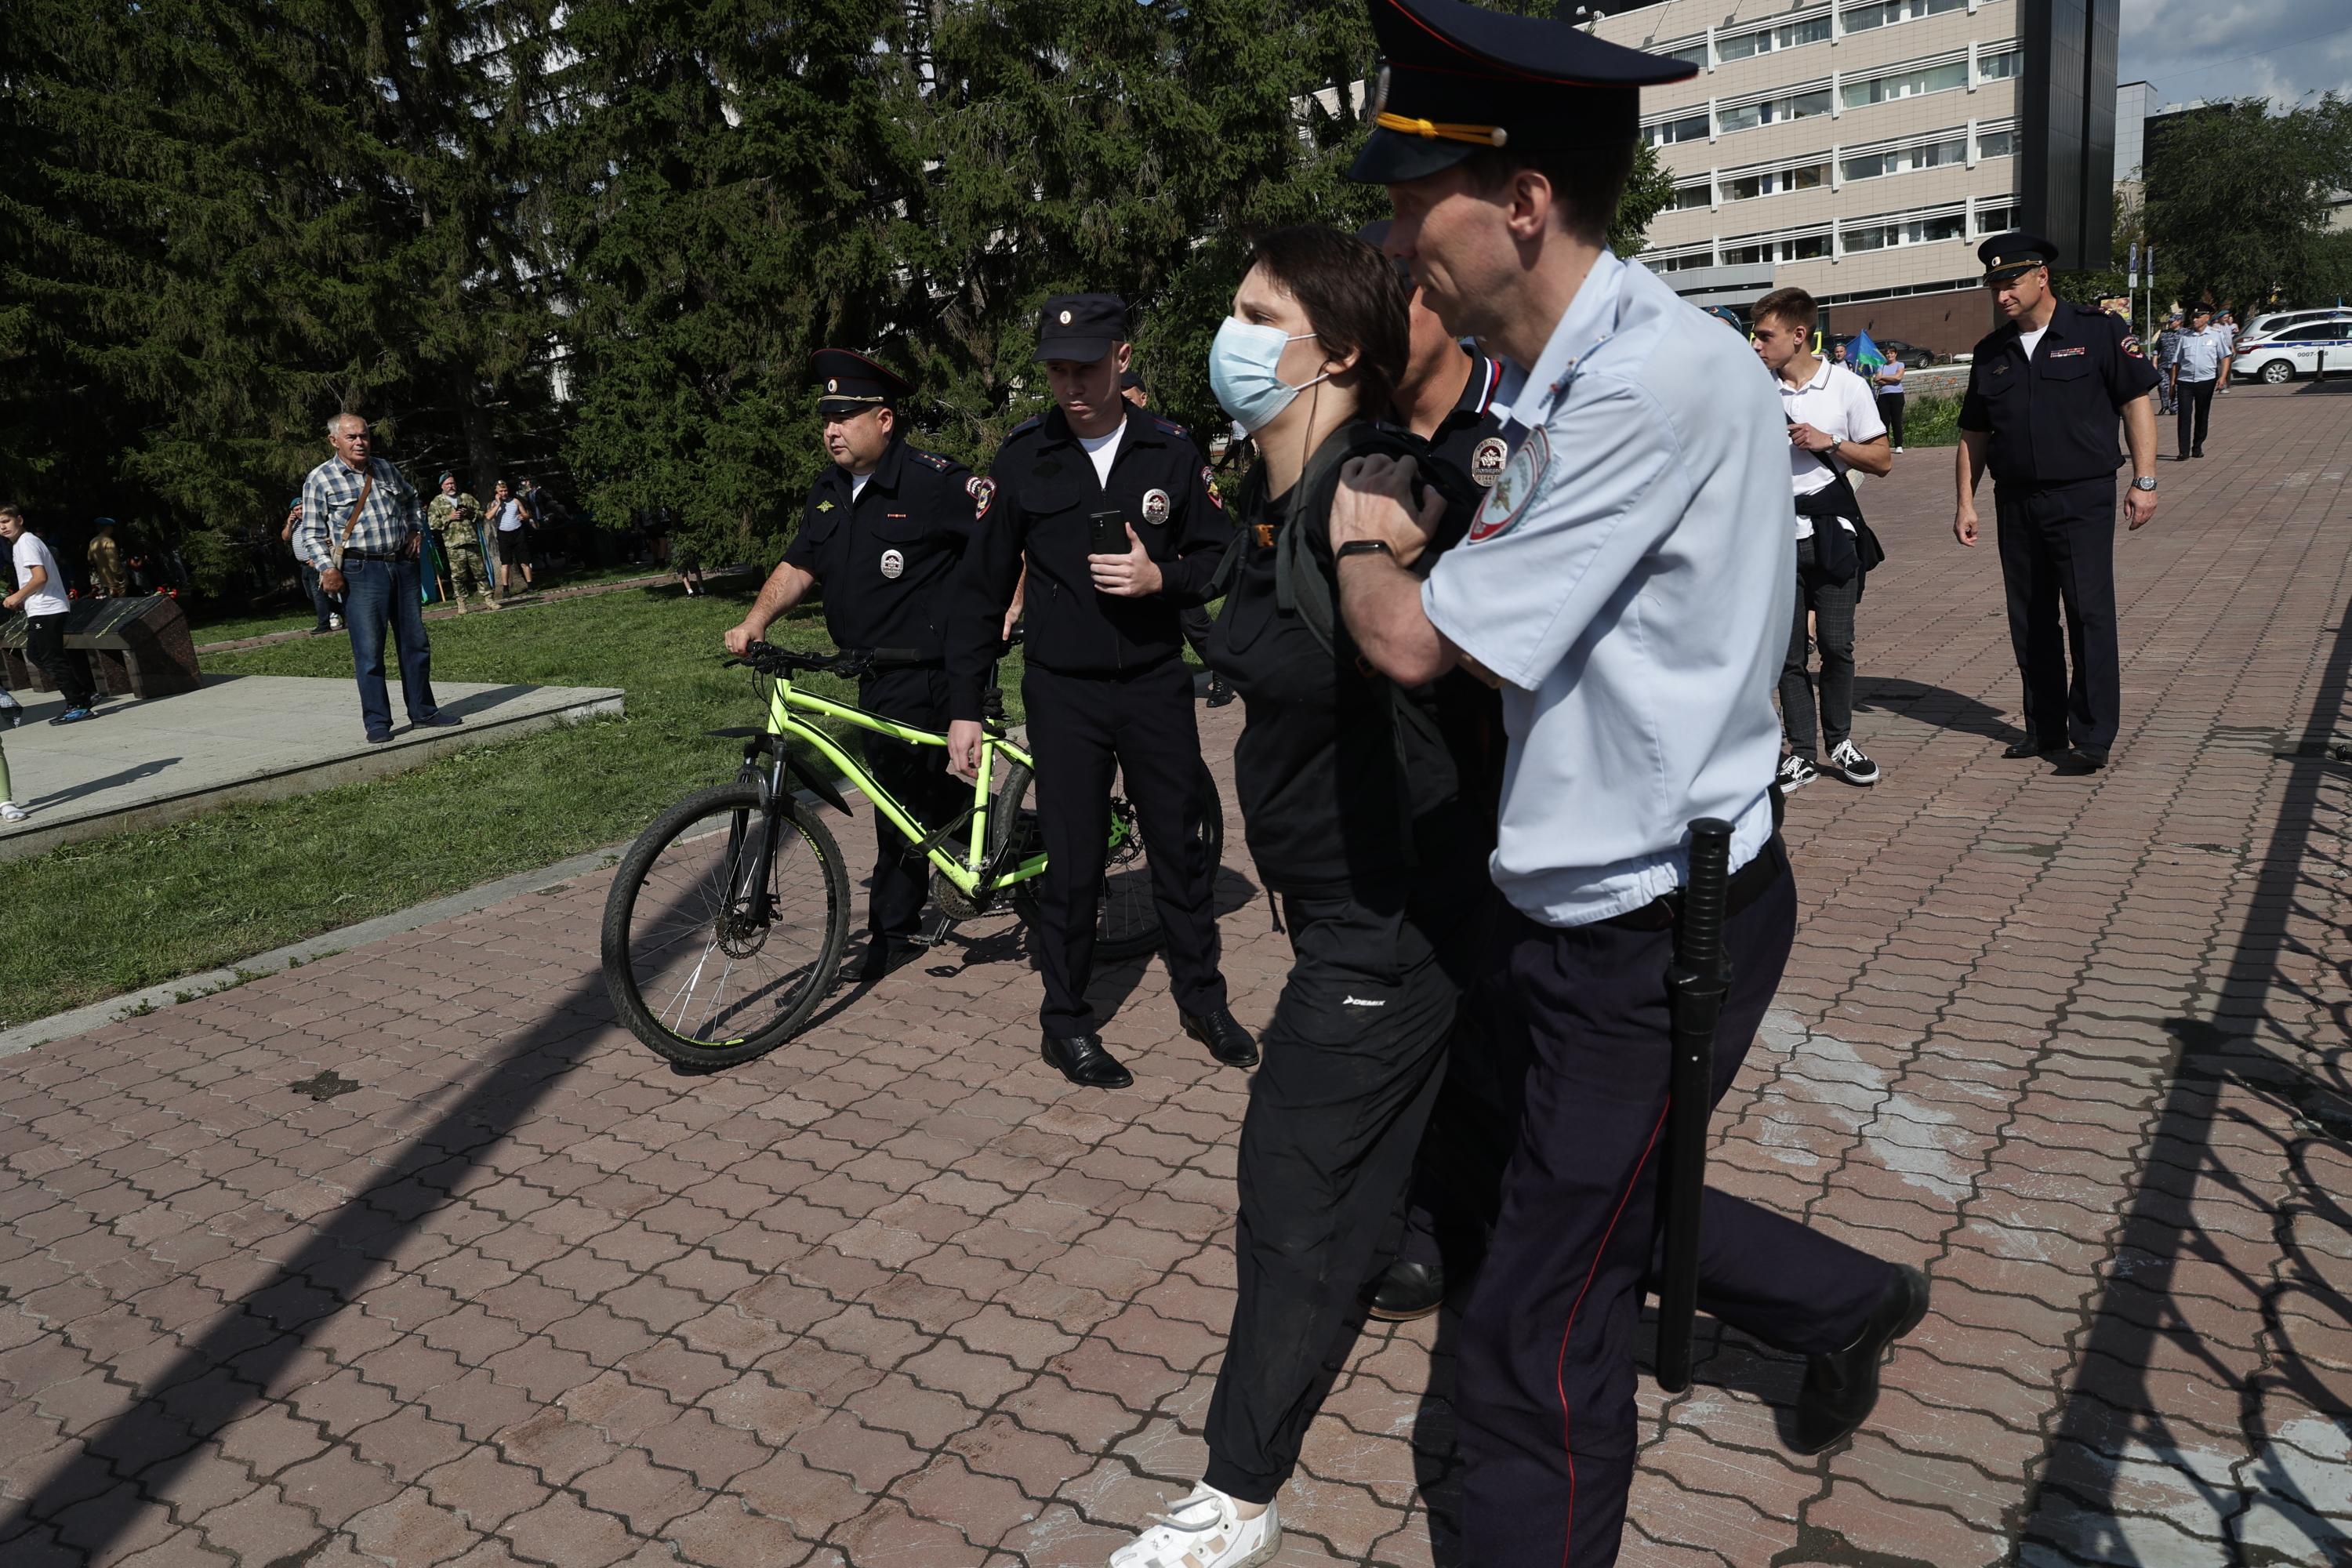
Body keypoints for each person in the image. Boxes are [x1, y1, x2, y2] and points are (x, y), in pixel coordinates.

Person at [1325, 4, 1925, 1564]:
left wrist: (1352, 526)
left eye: (1412, 200)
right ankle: (1844, 1299)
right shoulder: (1556, 373)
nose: (1394, 234)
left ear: (1520, 201)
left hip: (1654, 931)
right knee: (1574, 1193)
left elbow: (1410, 642)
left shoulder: (1643, 383)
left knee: (1537, 1317)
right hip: (1580, 908)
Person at [1109, 227, 1501, 1567]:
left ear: (1333, 349)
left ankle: (1237, 1495)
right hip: (1360, 910)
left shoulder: (1374, 482)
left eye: (1255, 311)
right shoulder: (1276, 497)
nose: (1230, 331)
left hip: (1382, 923)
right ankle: (1828, 1303)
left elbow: (1418, 612)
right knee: (1485, 1168)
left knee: (1292, 1192)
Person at [946, 293, 1254, 1088]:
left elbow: (1221, 557)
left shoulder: (1171, 453)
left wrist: (1161, 577)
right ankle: (1068, 1021)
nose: (1070, 383)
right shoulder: (1024, 459)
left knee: (1180, 853)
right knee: (1074, 864)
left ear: (1121, 357)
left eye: (1084, 365)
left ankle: (1204, 999)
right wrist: (963, 703)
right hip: (1064, 692)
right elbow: (981, 590)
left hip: (1154, 681)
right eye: (1056, 369)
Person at [724, 350, 979, 981]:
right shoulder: (830, 490)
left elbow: (1007, 541)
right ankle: (988, 850)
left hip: (937, 666)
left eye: (846, 415)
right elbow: (799, 565)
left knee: (903, 797)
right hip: (873, 670)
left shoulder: (934, 481)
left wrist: (1011, 610)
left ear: (885, 419)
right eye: (826, 418)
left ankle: (894, 931)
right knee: (915, 794)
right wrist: (757, 621)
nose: (832, 429)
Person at [1954, 234, 2160, 772]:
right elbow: (1973, 434)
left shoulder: (2096, 331)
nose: (2001, 296)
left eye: (2011, 283)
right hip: (2016, 501)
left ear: (2041, 276)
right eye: (1994, 286)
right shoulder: (1990, 352)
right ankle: (2044, 729)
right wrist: (1965, 502)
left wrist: (2146, 479)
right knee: (2032, 619)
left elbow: (2135, 401)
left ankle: (2092, 734)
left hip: (2082, 495)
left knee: (2089, 613)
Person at [1751, 286, 1893, 792]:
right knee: (1788, 655)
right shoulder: (1754, 388)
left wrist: (1829, 441)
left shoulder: (1847, 387)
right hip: (1772, 538)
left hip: (1833, 533)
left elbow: (1882, 462)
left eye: (1765, 336)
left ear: (1799, 334)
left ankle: (1841, 742)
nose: (1756, 346)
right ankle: (1802, 752)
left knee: (1837, 646)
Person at [297, 414, 459, 743]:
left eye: (364, 436)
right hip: (360, 571)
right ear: (334, 441)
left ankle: (423, 712)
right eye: (352, 437)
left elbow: (412, 499)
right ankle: (377, 722)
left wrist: (416, 529)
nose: (360, 442)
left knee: (415, 642)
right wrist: (328, 568)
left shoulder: (384, 468)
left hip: (402, 564)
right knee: (369, 650)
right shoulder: (320, 479)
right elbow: (312, 534)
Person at [1124, 370, 1235, 709]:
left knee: (1195, 623)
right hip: (1133, 560)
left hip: (1173, 561)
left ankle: (1224, 674)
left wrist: (1186, 553)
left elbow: (1193, 510)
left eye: (1128, 398)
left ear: (1144, 398)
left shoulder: (1168, 442)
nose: (1123, 405)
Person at [1, 506, 98, 724]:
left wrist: (17, 596)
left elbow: (40, 577)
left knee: (49, 657)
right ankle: (83, 694)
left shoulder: (26, 542)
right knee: (38, 654)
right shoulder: (21, 544)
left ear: (19, 519)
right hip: (41, 607)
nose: (3, 527)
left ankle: (78, 704)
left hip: (47, 608)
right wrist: (24, 600)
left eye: (6, 521)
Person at [426, 474, 497, 614]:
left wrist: (470, 514)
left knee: (480, 572)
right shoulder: (437, 502)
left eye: (452, 483)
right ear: (442, 486)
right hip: (454, 545)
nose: (451, 486)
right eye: (448, 484)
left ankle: (489, 599)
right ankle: (462, 604)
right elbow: (432, 524)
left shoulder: (466, 497)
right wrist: (449, 518)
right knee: (458, 576)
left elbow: (482, 514)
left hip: (471, 541)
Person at [2170, 303, 2229, 459]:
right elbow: (2176, 362)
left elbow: (2225, 357)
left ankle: (2197, 446)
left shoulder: (2216, 336)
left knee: (2202, 414)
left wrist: (2222, 377)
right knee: (2184, 415)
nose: (2194, 320)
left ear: (2207, 317)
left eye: (2198, 317)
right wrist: (2172, 384)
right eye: (2193, 317)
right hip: (2185, 381)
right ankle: (2183, 451)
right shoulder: (2185, 337)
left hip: (2206, 380)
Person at [282, 496, 341, 634]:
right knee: (311, 595)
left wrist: (315, 557)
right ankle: (344, 610)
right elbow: (285, 537)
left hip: (314, 564)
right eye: (297, 509)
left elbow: (325, 539)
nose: (300, 511)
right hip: (303, 566)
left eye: (302, 508)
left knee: (318, 595)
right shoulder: (295, 524)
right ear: (293, 512)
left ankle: (324, 624)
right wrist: (289, 524)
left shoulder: (313, 522)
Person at [487, 479, 534, 598]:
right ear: (496, 492)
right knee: (506, 563)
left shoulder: (515, 501)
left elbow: (527, 515)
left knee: (524, 561)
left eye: (505, 490)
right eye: (501, 491)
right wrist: (498, 504)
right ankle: (505, 589)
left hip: (518, 533)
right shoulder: (493, 504)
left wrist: (524, 516)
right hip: (504, 534)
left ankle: (530, 585)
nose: (504, 493)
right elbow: (488, 516)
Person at [1874, 350, 1907, 452]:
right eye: (1888, 353)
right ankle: (1885, 445)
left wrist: (1883, 377)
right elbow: (1877, 379)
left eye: (1891, 353)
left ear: (1896, 354)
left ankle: (1899, 445)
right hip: (1883, 396)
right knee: (1884, 422)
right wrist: (1890, 379)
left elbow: (1898, 377)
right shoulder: (1882, 366)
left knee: (1896, 420)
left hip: (1897, 395)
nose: (1889, 355)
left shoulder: (1900, 365)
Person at [86, 521, 129, 598]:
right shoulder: (109, 541)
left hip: (103, 579)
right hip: (115, 580)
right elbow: (113, 563)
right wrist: (121, 576)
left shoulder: (93, 541)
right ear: (108, 528)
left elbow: (90, 559)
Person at [2154, 312, 2183, 416]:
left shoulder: (2185, 333)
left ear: (2179, 321)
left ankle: (2174, 407)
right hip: (2164, 364)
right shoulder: (2164, 333)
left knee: (2176, 386)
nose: (2170, 323)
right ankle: (2164, 405)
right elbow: (2157, 349)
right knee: (2162, 385)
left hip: (2178, 365)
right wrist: (2154, 362)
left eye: (2173, 321)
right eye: (2170, 321)